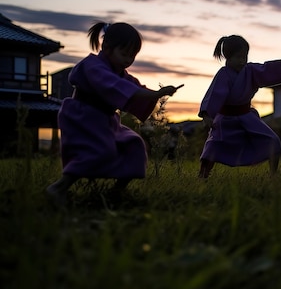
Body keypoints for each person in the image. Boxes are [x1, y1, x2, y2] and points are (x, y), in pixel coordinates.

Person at [46, 21, 182, 206]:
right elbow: (116, 86)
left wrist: (157, 93)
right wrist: (155, 94)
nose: (128, 60)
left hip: (106, 119)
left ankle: (116, 192)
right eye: (124, 54)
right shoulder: (92, 65)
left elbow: (135, 88)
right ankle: (59, 188)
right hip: (83, 116)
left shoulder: (121, 73)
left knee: (133, 145)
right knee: (95, 151)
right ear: (107, 47)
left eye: (132, 56)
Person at [198, 34, 281, 178]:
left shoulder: (250, 70)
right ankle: (202, 175)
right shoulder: (223, 74)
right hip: (225, 120)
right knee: (212, 148)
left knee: (272, 140)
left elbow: (266, 69)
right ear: (228, 57)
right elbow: (213, 95)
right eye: (238, 57)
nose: (242, 61)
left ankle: (273, 175)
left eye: (244, 57)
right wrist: (207, 115)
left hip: (247, 117)